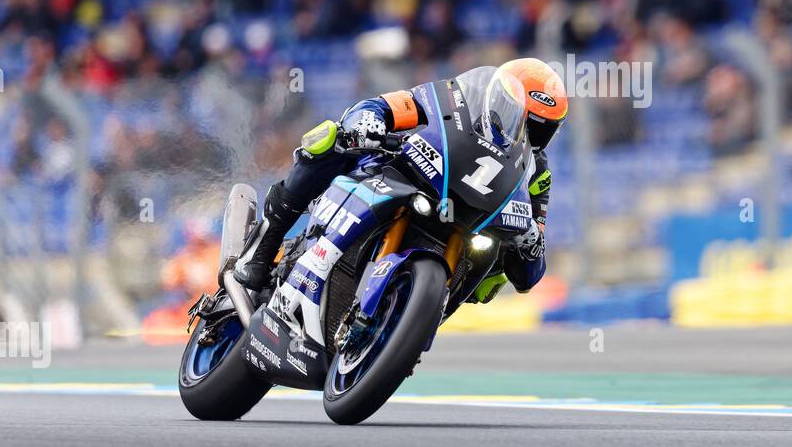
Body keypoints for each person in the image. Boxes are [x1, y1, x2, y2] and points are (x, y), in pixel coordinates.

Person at [229, 58, 567, 303]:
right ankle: (263, 248)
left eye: (543, 128)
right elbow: (386, 105)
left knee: (494, 267)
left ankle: (411, 316)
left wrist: (532, 244)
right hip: (407, 175)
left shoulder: (536, 176)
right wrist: (369, 122)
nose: (531, 133)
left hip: (466, 224)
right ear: (499, 97)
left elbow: (531, 268)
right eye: (526, 119)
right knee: (330, 138)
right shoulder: (453, 100)